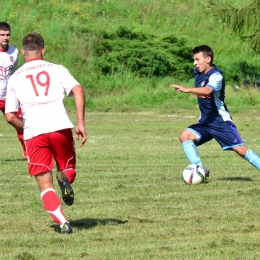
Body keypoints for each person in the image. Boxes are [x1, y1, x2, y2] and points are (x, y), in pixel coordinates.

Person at [5, 33, 87, 234]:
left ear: (23, 52)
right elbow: (78, 89)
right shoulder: (57, 69)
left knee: (45, 184)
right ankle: (65, 178)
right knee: (68, 168)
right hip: (60, 126)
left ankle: (62, 222)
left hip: (35, 132)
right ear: (43, 51)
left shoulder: (15, 77)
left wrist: (23, 125)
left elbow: (9, 116)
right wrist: (81, 123)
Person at [171, 44, 260, 176]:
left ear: (208, 59)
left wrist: (187, 89)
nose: (195, 63)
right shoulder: (198, 72)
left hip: (220, 122)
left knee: (241, 150)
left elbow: (208, 90)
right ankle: (200, 170)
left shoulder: (216, 76)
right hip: (205, 122)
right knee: (185, 136)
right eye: (194, 60)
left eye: (197, 59)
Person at [0, 21, 27, 159]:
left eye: (7, 35)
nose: (5, 37)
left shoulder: (14, 52)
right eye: (2, 35)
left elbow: (15, 74)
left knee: (19, 123)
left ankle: (27, 151)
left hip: (8, 96)